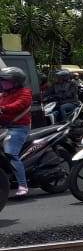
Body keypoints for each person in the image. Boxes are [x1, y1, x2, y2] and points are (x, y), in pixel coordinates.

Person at [0, 67, 33, 198]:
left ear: (15, 81)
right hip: (4, 127)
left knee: (10, 154)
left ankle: (23, 185)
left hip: (18, 128)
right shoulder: (4, 94)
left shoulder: (25, 93)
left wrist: (3, 109)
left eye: (5, 80)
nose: (2, 83)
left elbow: (19, 105)